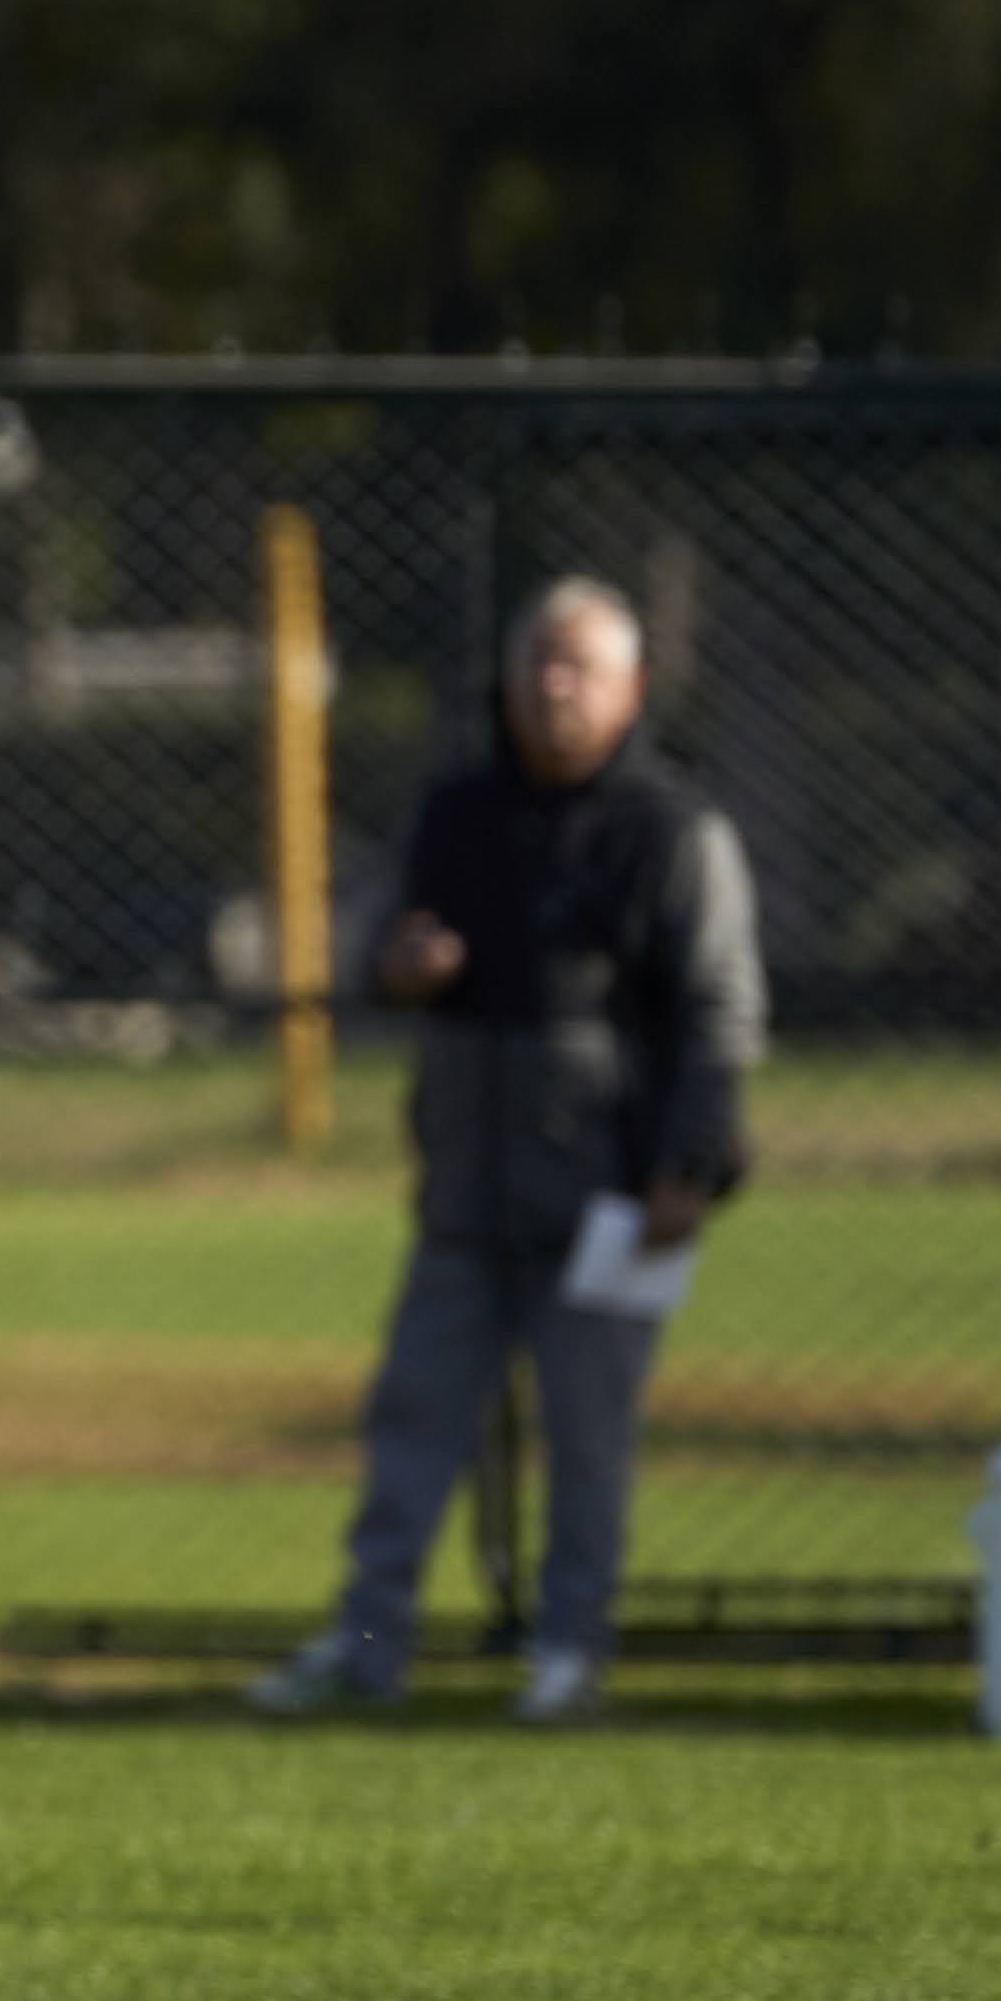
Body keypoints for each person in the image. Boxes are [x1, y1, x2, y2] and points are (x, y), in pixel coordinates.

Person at [251, 577, 763, 1727]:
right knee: (410, 1438)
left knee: (588, 1445)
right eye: (537, 663)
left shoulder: (671, 832)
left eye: (579, 667)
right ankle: (369, 1647)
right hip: (466, 1196)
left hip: (616, 1200)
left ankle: (570, 1654)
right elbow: (374, 948)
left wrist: (690, 1162)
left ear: (630, 690)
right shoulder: (457, 814)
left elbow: (719, 1013)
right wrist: (397, 965)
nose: (553, 688)